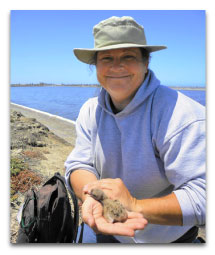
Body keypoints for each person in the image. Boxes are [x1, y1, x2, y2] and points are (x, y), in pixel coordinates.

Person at [65, 16, 205, 243]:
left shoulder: (183, 115)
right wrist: (90, 196)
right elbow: (79, 164)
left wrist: (136, 206)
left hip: (170, 240)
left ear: (146, 62)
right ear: (96, 66)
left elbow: (205, 195)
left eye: (128, 56)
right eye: (106, 58)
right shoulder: (90, 111)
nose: (116, 65)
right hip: (106, 227)